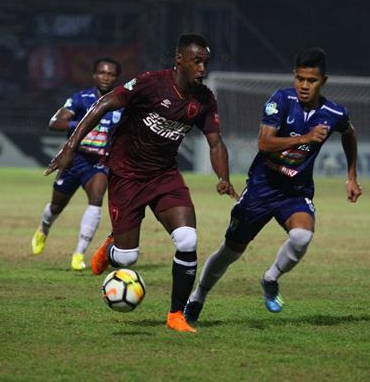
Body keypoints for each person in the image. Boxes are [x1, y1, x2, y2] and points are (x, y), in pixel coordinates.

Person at [45, 34, 238, 333]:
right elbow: (102, 105)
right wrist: (70, 147)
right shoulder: (151, 83)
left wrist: (223, 177)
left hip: (164, 176)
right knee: (126, 258)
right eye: (196, 61)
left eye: (205, 62)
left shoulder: (204, 98)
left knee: (188, 240)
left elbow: (215, 142)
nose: (202, 68)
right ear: (180, 60)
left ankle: (177, 315)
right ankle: (111, 248)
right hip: (127, 175)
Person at [184, 48, 362, 323]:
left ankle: (270, 278)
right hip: (261, 188)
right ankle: (198, 297)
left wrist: (351, 176)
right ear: (294, 76)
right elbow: (264, 143)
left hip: (295, 192)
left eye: (311, 80)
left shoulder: (334, 112)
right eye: (300, 78)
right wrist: (306, 137)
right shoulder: (281, 100)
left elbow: (349, 134)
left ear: (323, 81)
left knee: (302, 236)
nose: (304, 85)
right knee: (231, 251)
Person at [31, 57, 122, 271]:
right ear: (94, 75)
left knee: (97, 197)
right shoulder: (81, 99)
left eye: (110, 74)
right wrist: (81, 122)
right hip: (74, 160)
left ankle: (79, 254)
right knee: (56, 206)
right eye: (102, 72)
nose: (106, 77)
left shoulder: (120, 104)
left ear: (116, 78)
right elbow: (54, 123)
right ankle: (43, 229)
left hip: (99, 162)